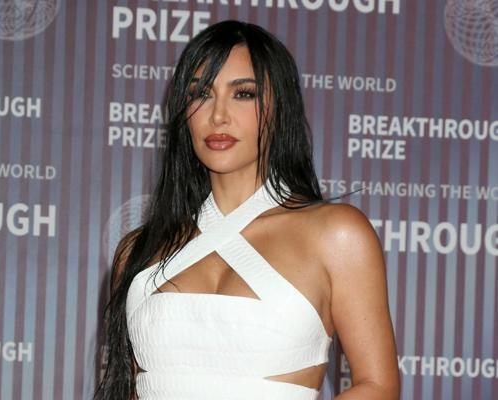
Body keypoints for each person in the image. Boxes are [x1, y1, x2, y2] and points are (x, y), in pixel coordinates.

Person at [97, 20, 400, 400]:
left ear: (280, 108)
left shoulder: (337, 235)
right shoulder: (138, 251)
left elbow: (378, 387)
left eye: (243, 94)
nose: (218, 115)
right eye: (200, 94)